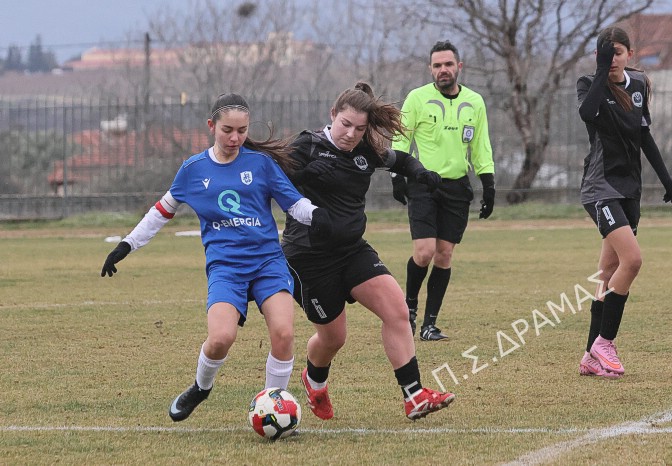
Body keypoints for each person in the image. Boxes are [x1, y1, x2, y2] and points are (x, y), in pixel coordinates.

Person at [101, 93, 332, 421]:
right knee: (221, 338)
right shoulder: (193, 170)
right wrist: (127, 244)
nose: (235, 138)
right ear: (211, 126)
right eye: (228, 130)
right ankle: (201, 387)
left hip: (268, 262)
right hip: (226, 267)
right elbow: (161, 211)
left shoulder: (260, 164)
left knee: (283, 334)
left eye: (242, 130)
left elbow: (295, 204)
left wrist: (318, 215)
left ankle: (272, 407)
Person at [282, 82, 455, 420]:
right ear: (333, 114)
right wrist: (303, 173)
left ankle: (414, 396)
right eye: (345, 124)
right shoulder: (307, 145)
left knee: (397, 310)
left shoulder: (364, 150)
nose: (351, 134)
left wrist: (421, 173)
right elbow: (272, 181)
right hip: (309, 258)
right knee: (333, 339)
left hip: (352, 251)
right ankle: (314, 380)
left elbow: (400, 159)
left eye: (359, 128)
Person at [576, 27, 672, 378]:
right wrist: (602, 70)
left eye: (617, 53)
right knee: (632, 261)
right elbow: (587, 114)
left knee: (607, 273)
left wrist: (664, 176)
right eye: (606, 54)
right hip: (600, 188)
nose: (613, 59)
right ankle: (605, 342)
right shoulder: (589, 84)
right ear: (598, 57)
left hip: (630, 188)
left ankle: (590, 357)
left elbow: (643, 133)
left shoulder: (639, 84)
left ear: (630, 54)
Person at [391, 40, 496, 341]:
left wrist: (488, 184)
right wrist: (398, 176)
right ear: (430, 69)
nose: (443, 70)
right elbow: (401, 138)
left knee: (444, 254)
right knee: (424, 252)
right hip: (423, 183)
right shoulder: (417, 98)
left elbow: (481, 146)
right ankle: (409, 310)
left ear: (459, 66)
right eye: (437, 65)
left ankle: (429, 325)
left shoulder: (474, 102)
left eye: (448, 64)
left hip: (457, 187)